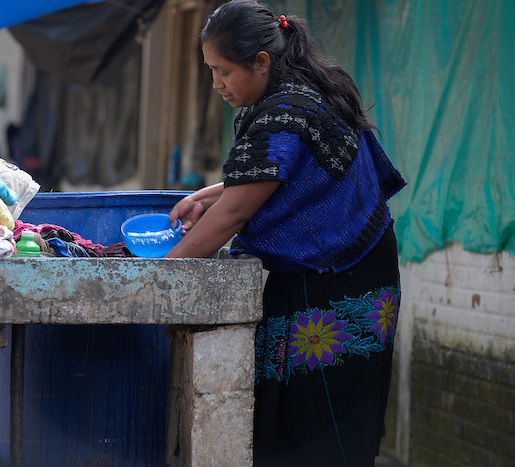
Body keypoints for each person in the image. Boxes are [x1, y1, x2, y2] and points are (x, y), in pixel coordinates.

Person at [165, 1, 406, 465]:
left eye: (223, 72)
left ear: (262, 62)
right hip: (352, 264)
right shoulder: (301, 91)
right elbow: (276, 175)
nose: (216, 85)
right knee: (306, 411)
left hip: (338, 277)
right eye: (210, 72)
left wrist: (161, 273)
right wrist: (206, 195)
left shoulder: (284, 112)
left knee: (322, 417)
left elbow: (235, 215)